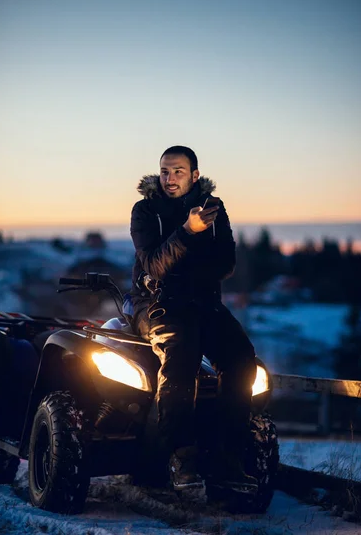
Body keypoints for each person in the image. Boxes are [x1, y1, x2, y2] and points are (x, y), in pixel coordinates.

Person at [130, 145, 257, 495]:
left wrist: (181, 267)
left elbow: (226, 264)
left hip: (203, 302)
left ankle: (228, 460)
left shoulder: (215, 209)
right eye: (165, 172)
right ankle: (181, 457)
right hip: (157, 302)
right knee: (182, 353)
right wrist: (187, 232)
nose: (170, 179)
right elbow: (153, 266)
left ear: (195, 175)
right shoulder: (145, 211)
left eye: (178, 172)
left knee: (243, 359)